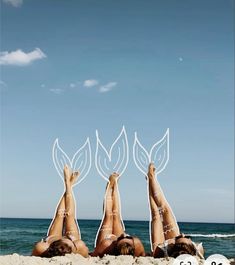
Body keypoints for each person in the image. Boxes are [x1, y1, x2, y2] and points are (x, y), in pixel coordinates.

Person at [147, 163, 204, 258]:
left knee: (156, 215)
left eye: (180, 237)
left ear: (174, 244)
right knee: (165, 211)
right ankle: (152, 178)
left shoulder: (161, 250)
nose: (182, 234)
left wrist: (149, 186)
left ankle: (150, 181)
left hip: (163, 248)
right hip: (178, 249)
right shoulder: (198, 250)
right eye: (187, 237)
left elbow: (154, 211)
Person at [32, 165, 89, 258]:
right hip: (70, 242)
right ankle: (69, 184)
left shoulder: (42, 248)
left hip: (53, 239)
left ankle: (68, 184)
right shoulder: (79, 246)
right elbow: (87, 255)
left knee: (60, 215)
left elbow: (33, 255)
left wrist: (45, 242)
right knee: (69, 215)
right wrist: (73, 241)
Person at [92, 173, 145, 257]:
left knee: (108, 216)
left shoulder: (106, 245)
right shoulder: (137, 243)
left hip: (107, 242)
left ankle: (109, 187)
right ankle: (116, 186)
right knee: (116, 215)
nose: (124, 234)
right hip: (121, 246)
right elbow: (143, 255)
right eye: (128, 237)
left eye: (122, 237)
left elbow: (93, 256)